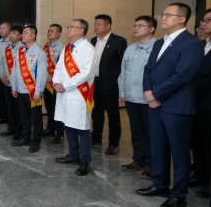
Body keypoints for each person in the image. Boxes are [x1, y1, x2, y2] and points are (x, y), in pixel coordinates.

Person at [136, 3, 203, 207]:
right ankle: (159, 184)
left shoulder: (192, 43)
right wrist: (148, 92)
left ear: (182, 19)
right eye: (162, 14)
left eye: (168, 15)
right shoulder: (159, 43)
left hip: (177, 106)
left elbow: (183, 75)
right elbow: (148, 70)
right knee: (158, 147)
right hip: (155, 105)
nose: (163, 18)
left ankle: (179, 194)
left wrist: (156, 94)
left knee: (179, 152)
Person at [53, 19, 96, 176]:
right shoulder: (67, 48)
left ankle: (85, 161)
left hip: (79, 94)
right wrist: (56, 82)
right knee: (68, 124)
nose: (69, 29)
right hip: (64, 93)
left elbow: (86, 73)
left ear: (81, 30)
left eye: (72, 27)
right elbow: (59, 67)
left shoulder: (88, 49)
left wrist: (65, 84)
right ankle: (73, 155)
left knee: (82, 128)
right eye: (69, 26)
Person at [118, 16, 157, 180]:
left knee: (151, 133)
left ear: (152, 28)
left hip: (150, 99)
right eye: (134, 25)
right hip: (132, 97)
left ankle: (151, 164)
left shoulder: (158, 47)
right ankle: (138, 159)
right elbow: (123, 73)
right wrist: (122, 93)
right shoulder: (130, 49)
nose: (136, 28)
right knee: (136, 131)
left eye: (140, 25)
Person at [191, 8, 211, 199]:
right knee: (196, 141)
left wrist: (192, 87)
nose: (203, 23)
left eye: (208, 20)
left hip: (209, 102)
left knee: (209, 143)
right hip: (193, 102)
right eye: (203, 20)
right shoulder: (200, 44)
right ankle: (199, 175)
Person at [90, 14, 127, 155]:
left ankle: (113, 143)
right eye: (95, 24)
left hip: (110, 83)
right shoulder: (93, 41)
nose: (96, 26)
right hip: (95, 82)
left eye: (99, 24)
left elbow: (122, 64)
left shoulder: (118, 41)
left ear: (108, 25)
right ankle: (96, 137)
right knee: (96, 112)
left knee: (113, 115)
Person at [9, 25, 49, 153]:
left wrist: (38, 92)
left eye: (25, 33)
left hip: (32, 92)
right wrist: (14, 86)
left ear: (33, 36)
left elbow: (42, 75)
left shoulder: (40, 53)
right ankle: (25, 138)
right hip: (20, 90)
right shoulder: (20, 51)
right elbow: (15, 70)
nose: (23, 35)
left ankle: (36, 141)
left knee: (36, 118)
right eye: (23, 33)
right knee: (24, 117)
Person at [0, 25, 24, 140]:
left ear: (20, 35)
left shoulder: (23, 49)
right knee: (9, 108)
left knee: (19, 109)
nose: (11, 35)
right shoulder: (7, 48)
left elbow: (21, 68)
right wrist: (2, 77)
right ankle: (11, 128)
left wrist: (10, 77)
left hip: (18, 84)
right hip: (6, 83)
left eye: (14, 33)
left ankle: (20, 131)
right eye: (10, 33)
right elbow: (1, 63)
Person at [42, 24, 65, 144]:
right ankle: (50, 128)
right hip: (46, 83)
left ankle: (59, 133)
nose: (49, 33)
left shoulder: (62, 48)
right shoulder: (46, 46)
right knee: (49, 107)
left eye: (52, 31)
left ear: (59, 33)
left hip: (56, 84)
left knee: (58, 109)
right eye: (48, 31)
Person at [0, 21, 12, 125]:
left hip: (9, 77)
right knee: (2, 98)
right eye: (0, 28)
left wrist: (7, 76)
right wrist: (0, 76)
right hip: (0, 76)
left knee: (10, 101)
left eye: (3, 28)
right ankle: (4, 117)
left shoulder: (12, 43)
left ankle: (11, 120)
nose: (1, 30)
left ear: (9, 30)